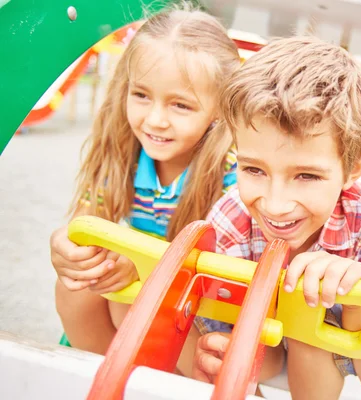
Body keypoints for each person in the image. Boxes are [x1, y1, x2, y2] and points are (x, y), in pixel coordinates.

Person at [191, 36, 361, 398]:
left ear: (353, 167)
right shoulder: (231, 218)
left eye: (307, 176)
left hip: (321, 355)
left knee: (309, 322)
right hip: (259, 341)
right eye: (253, 169)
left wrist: (358, 299)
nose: (275, 204)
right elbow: (251, 357)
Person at [50, 4, 239, 376]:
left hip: (203, 311)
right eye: (141, 96)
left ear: (219, 109)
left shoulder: (232, 175)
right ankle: (110, 378)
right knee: (75, 287)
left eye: (181, 105)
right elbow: (87, 223)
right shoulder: (124, 153)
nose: (154, 120)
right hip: (137, 307)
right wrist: (68, 246)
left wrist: (142, 268)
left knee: (137, 302)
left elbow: (229, 279)